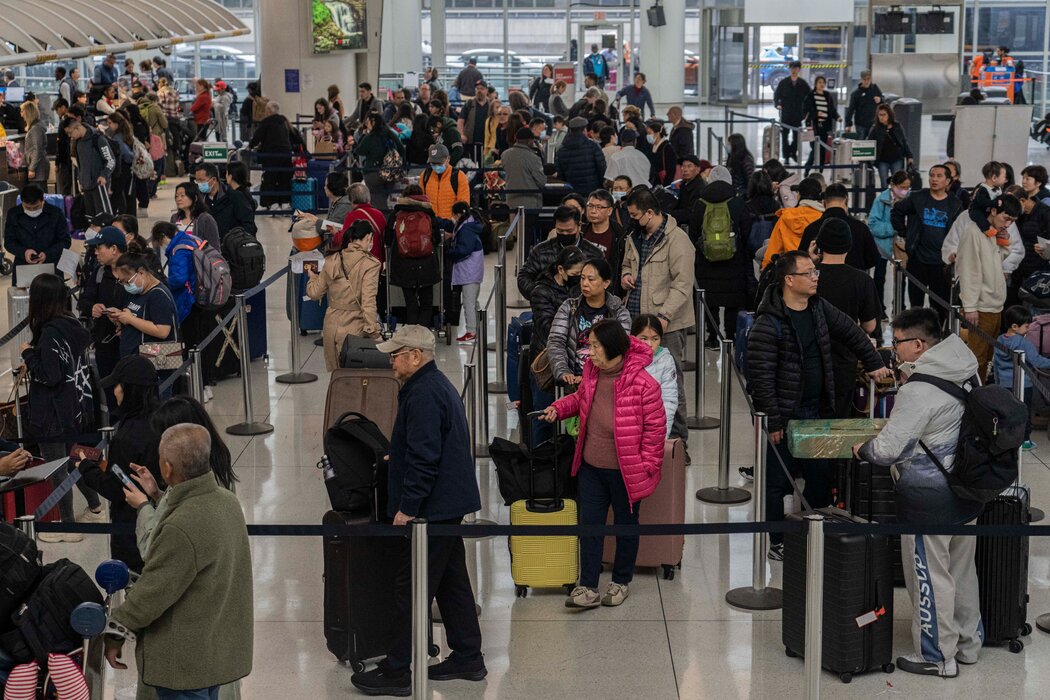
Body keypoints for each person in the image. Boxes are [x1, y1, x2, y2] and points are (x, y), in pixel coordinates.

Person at [350, 326, 485, 695]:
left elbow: (427, 459)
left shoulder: (424, 393)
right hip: (449, 503)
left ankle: (397, 671)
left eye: (396, 354)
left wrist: (408, 508)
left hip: (433, 508)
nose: (390, 360)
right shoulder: (434, 385)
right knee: (451, 580)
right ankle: (469, 656)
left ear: (415, 355)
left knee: (411, 587)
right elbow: (429, 444)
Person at [854, 308, 983, 678]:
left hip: (928, 499)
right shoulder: (965, 366)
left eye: (898, 342)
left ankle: (937, 657)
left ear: (918, 345)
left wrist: (862, 448)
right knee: (962, 572)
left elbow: (888, 450)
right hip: (967, 490)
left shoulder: (919, 390)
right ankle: (968, 645)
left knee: (929, 576)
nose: (894, 350)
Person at [749, 251, 889, 558]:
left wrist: (874, 363)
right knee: (777, 483)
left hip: (816, 413)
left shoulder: (818, 308)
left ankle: (810, 533)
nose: (816, 277)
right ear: (789, 280)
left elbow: (853, 332)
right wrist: (773, 422)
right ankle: (777, 541)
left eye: (815, 272)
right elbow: (760, 379)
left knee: (820, 477)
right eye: (809, 273)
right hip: (784, 418)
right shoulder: (767, 323)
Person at [104, 423, 253, 698]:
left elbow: (152, 593)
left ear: (168, 468)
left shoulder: (181, 526)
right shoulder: (227, 502)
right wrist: (158, 496)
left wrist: (115, 630)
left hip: (184, 664)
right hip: (214, 650)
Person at [539, 320, 664, 609]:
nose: (589, 352)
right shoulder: (592, 374)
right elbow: (581, 399)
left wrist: (646, 467)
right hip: (591, 467)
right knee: (590, 525)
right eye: (590, 345)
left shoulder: (645, 385)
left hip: (626, 471)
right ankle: (588, 586)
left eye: (595, 346)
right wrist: (557, 409)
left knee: (626, 526)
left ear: (613, 349)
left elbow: (656, 432)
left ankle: (621, 581)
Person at [21, 274, 101, 544]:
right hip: (75, 405)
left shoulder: (49, 333)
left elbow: (50, 375)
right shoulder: (73, 325)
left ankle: (68, 525)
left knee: (58, 468)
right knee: (76, 458)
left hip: (53, 412)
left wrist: (28, 354)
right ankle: (95, 505)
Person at [622, 189, 695, 451]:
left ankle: (677, 444)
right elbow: (627, 264)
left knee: (670, 385)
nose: (632, 219)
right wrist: (626, 274)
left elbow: (683, 284)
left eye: (635, 215)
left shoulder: (678, 241)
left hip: (667, 325)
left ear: (650, 213)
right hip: (635, 321)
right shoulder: (636, 236)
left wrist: (663, 316)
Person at [76, 355, 161, 571]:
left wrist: (86, 467)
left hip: (133, 528)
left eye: (118, 385)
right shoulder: (163, 419)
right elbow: (123, 473)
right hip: (163, 518)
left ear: (129, 390)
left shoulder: (127, 437)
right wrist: (106, 465)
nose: (114, 391)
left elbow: (116, 489)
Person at [813, 220, 882, 416]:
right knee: (838, 422)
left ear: (819, 244)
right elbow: (869, 326)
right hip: (844, 362)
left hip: (810, 360)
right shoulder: (862, 280)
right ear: (849, 246)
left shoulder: (808, 277)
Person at [955, 194, 1020, 379]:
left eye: (1012, 221)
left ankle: (980, 395)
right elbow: (968, 271)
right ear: (993, 211)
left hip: (995, 305)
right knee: (976, 358)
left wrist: (1004, 241)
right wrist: (970, 307)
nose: (1007, 224)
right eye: (1006, 218)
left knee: (986, 358)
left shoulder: (992, 230)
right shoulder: (973, 231)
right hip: (980, 307)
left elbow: (996, 259)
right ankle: (973, 398)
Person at [306, 220, 382, 371]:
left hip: (330, 327)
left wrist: (312, 277)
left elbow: (314, 293)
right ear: (368, 238)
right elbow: (368, 302)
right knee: (354, 381)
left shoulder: (331, 259)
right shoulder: (371, 264)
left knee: (337, 379)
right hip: (354, 329)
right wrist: (374, 333)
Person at [891, 165, 965, 318]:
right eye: (932, 175)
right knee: (916, 305)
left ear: (948, 181)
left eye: (939, 176)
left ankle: (936, 337)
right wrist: (904, 233)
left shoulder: (955, 204)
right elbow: (897, 211)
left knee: (939, 306)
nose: (934, 179)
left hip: (941, 264)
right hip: (918, 260)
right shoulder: (918, 197)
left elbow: (960, 232)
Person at [689, 165, 749, 348]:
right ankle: (730, 335)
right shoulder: (738, 203)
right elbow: (746, 232)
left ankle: (712, 336)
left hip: (706, 263)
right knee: (732, 300)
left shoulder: (699, 204)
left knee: (710, 299)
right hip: (734, 260)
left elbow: (692, 234)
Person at [547, 257, 631, 386]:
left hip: (605, 381)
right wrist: (563, 372)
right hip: (572, 380)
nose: (585, 283)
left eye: (591, 279)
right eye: (582, 278)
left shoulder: (619, 312)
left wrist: (590, 377)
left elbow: (619, 349)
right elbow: (556, 341)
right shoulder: (569, 307)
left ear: (606, 283)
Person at [81, 226, 129, 396]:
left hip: (130, 345)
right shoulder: (99, 273)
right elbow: (85, 301)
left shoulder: (136, 273)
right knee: (110, 393)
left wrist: (127, 318)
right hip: (105, 346)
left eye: (99, 248)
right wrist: (92, 307)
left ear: (113, 249)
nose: (95, 253)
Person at [994, 305, 1050, 450]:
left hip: (1004, 385)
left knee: (1007, 412)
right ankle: (1025, 440)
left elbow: (996, 365)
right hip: (1024, 385)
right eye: (1026, 326)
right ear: (1014, 326)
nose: (1028, 329)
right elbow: (1036, 360)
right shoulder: (1023, 343)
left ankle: (1007, 439)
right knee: (1024, 413)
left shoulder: (999, 340)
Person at [384, 185, 441, 327]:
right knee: (427, 303)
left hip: (403, 265)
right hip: (427, 264)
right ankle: (422, 335)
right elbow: (436, 239)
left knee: (411, 304)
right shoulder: (428, 212)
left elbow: (387, 239)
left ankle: (411, 338)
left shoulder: (397, 213)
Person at [517, 205, 602, 299]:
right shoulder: (541, 251)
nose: (565, 234)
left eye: (569, 231)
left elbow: (604, 280)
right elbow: (524, 276)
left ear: (579, 226)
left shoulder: (595, 254)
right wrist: (538, 294)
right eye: (560, 230)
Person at [798, 182, 879, 271]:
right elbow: (873, 259)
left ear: (824, 202)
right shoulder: (860, 228)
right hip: (854, 281)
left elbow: (801, 260)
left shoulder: (811, 228)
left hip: (820, 281)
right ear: (846, 200)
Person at [441, 202, 485, 343]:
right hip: (472, 271)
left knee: (468, 302)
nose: (452, 217)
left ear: (458, 214)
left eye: (453, 214)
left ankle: (472, 331)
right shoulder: (469, 225)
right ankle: (479, 329)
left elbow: (464, 249)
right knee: (473, 301)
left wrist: (449, 253)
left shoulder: (466, 228)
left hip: (469, 272)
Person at [867, 170, 912, 308]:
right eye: (902, 187)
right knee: (879, 276)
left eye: (907, 187)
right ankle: (879, 306)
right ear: (893, 185)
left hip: (903, 244)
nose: (905, 191)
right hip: (882, 246)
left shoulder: (911, 200)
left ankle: (899, 305)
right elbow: (873, 224)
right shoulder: (881, 200)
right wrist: (894, 227)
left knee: (902, 277)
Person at [4, 184, 71, 272]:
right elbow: (9, 242)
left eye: (36, 207)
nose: (32, 210)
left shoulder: (56, 213)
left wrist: (48, 254)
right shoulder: (13, 214)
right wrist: (24, 252)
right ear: (22, 202)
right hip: (23, 266)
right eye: (27, 207)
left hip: (51, 265)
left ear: (43, 200)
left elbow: (65, 241)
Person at [761, 177, 825, 268]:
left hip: (790, 269)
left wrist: (765, 267)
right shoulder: (823, 218)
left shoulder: (786, 217)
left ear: (799, 195)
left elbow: (774, 247)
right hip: (816, 269)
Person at [631, 314, 678, 436]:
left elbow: (669, 400)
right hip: (628, 423)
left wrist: (663, 434)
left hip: (654, 425)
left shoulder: (666, 361)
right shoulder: (624, 358)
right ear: (633, 337)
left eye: (655, 339)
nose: (650, 344)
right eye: (643, 338)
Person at [64, 116, 116, 219]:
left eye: (70, 133)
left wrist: (104, 175)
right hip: (86, 185)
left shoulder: (98, 139)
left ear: (77, 128)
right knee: (90, 217)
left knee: (103, 215)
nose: (70, 136)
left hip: (99, 184)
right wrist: (80, 180)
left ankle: (107, 234)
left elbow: (110, 160)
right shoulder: (78, 142)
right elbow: (80, 164)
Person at [248, 101, 296, 210]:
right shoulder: (284, 120)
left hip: (271, 155)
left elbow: (257, 137)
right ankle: (285, 203)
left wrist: (250, 146)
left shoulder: (266, 122)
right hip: (286, 154)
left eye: (266, 110)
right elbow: (294, 135)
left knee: (270, 178)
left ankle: (271, 203)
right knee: (284, 178)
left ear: (269, 111)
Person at [354, 111, 405, 211]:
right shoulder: (390, 134)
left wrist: (364, 135)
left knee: (377, 201)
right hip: (391, 172)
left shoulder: (370, 137)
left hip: (373, 172)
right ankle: (389, 219)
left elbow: (359, 150)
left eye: (367, 123)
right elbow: (402, 150)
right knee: (387, 199)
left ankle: (382, 221)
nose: (366, 125)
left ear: (373, 122)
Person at [193, 163, 256, 240]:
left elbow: (248, 224)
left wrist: (235, 242)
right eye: (197, 181)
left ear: (213, 180)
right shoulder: (200, 200)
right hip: (208, 248)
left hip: (231, 247)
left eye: (201, 180)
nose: (199, 184)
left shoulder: (234, 197)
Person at [294, 171, 353, 251]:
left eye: (326, 185)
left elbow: (332, 226)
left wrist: (315, 220)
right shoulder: (337, 202)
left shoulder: (344, 205)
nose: (324, 187)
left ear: (332, 187)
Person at [500, 128, 546, 219]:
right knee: (528, 231)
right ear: (530, 141)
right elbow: (541, 182)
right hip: (530, 203)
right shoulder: (533, 158)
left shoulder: (505, 155)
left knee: (515, 230)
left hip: (511, 201)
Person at [556, 116, 606, 196]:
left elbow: (560, 174)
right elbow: (601, 168)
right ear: (584, 130)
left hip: (571, 192)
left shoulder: (561, 150)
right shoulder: (593, 146)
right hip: (592, 191)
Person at [868, 104, 913, 189]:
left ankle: (897, 201)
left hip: (896, 158)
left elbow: (903, 141)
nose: (881, 117)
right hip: (882, 160)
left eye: (884, 115)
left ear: (889, 115)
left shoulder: (897, 126)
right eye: (880, 115)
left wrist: (909, 155)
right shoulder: (875, 128)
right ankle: (886, 200)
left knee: (898, 182)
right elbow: (869, 142)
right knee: (884, 183)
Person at [773, 61, 811, 164]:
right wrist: (777, 104)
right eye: (792, 68)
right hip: (786, 114)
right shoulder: (784, 83)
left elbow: (810, 97)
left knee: (796, 136)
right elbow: (777, 95)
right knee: (784, 136)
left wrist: (807, 110)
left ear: (799, 70)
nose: (794, 70)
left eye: (796, 68)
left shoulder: (803, 84)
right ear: (790, 69)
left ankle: (793, 153)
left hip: (798, 114)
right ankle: (786, 156)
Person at [802, 75, 839, 174]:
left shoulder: (827, 95)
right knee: (814, 149)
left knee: (823, 149)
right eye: (819, 82)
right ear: (815, 84)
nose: (822, 84)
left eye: (823, 82)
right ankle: (807, 168)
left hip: (824, 126)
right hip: (814, 126)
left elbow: (832, 110)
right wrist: (816, 114)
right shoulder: (810, 95)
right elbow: (805, 109)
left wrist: (837, 117)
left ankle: (820, 170)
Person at [603, 129, 651, 196]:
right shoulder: (643, 157)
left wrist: (607, 183)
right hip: (644, 193)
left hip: (625, 196)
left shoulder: (615, 157)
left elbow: (610, 180)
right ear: (635, 142)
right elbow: (647, 177)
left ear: (622, 142)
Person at [845, 69, 883, 137]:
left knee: (873, 144)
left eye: (868, 79)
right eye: (864, 79)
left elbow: (883, 101)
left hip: (873, 124)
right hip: (860, 124)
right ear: (861, 79)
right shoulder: (856, 94)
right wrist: (848, 124)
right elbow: (851, 109)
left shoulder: (875, 89)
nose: (866, 81)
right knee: (861, 144)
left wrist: (880, 100)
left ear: (871, 79)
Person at [19, 101, 48, 188]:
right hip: (38, 166)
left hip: (38, 168)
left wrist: (32, 168)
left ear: (28, 112)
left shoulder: (35, 129)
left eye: (22, 111)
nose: (21, 114)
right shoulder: (35, 127)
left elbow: (37, 149)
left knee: (38, 196)